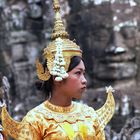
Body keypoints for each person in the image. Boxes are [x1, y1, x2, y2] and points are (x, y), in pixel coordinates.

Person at [1, 0, 115, 139]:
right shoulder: (35, 120)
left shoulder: (89, 115)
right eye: (78, 74)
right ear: (57, 77)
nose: (84, 80)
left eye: (83, 74)